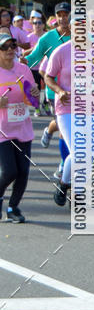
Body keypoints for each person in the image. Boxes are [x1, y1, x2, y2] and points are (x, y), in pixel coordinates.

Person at [26, 3, 71, 174]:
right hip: (55, 91)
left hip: (78, 90)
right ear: (55, 17)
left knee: (68, 127)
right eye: (59, 15)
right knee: (64, 130)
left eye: (65, 14)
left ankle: (48, 129)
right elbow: (33, 58)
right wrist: (15, 64)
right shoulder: (47, 38)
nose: (63, 18)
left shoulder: (80, 37)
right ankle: (63, 164)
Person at [0, 32, 39, 222]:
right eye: (4, 47)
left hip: (22, 127)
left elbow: (33, 102)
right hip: (2, 130)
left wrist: (34, 93)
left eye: (12, 46)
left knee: (23, 171)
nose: (9, 50)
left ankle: (13, 208)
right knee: (9, 171)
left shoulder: (23, 69)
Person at [44, 30, 75, 206]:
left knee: (88, 155)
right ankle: (64, 184)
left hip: (90, 109)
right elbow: (48, 76)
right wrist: (60, 91)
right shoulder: (61, 51)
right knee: (78, 152)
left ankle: (74, 190)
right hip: (66, 108)